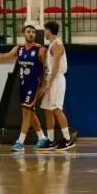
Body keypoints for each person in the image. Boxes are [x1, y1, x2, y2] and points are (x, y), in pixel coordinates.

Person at [0, 25, 51, 151]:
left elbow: (47, 69)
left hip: (34, 84)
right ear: (24, 34)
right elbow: (5, 57)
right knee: (30, 113)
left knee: (26, 112)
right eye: (29, 32)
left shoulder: (40, 49)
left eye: (33, 32)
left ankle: (20, 142)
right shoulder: (19, 49)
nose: (31, 34)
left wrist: (44, 86)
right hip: (23, 84)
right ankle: (42, 137)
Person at [38, 21, 77, 151]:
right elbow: (49, 67)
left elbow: (55, 68)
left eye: (45, 30)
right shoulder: (50, 45)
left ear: (49, 31)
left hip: (57, 79)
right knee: (47, 110)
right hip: (51, 78)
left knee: (56, 109)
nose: (44, 33)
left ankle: (68, 139)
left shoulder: (57, 45)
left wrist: (48, 84)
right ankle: (50, 141)